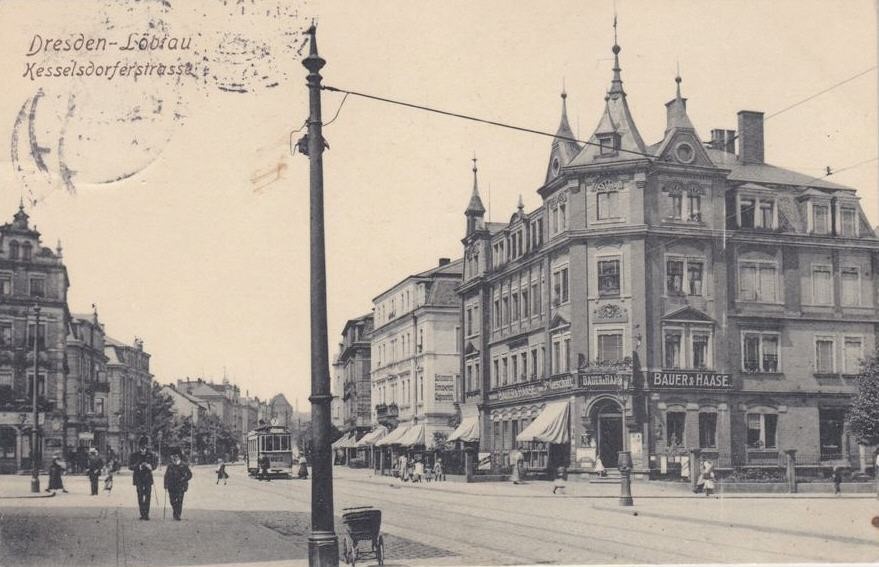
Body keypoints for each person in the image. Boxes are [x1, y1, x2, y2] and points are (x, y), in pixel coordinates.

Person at [128, 436, 158, 520]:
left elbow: (154, 465)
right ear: (139, 446)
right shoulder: (134, 455)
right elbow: (130, 466)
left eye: (145, 446)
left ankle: (146, 514)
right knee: (140, 496)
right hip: (138, 478)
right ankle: (142, 513)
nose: (144, 448)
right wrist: (139, 466)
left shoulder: (151, 455)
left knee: (148, 496)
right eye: (142, 446)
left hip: (148, 478)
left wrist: (150, 466)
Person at [164, 449, 193, 521]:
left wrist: (184, 478)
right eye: (173, 456)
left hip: (181, 485)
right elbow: (166, 476)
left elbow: (190, 475)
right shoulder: (170, 466)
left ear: (179, 456)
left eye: (176, 456)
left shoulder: (184, 465)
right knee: (172, 500)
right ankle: (176, 512)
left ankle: (177, 515)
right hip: (171, 485)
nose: (174, 458)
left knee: (179, 500)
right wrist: (165, 485)